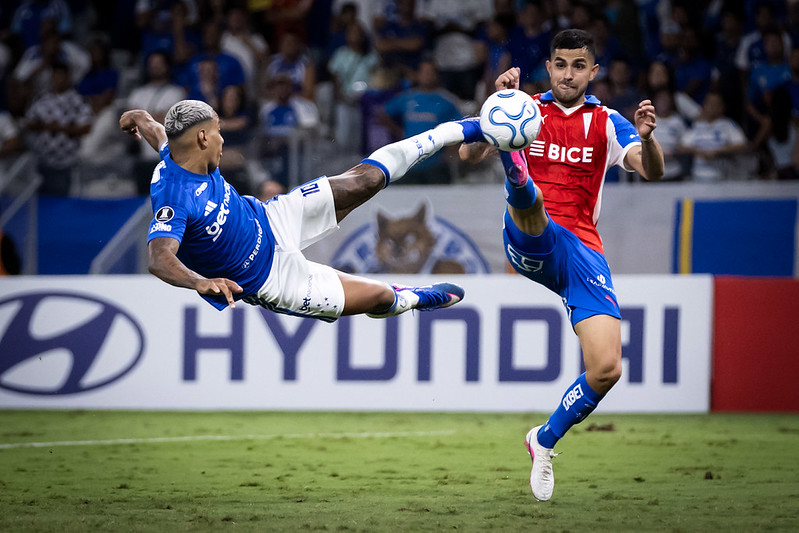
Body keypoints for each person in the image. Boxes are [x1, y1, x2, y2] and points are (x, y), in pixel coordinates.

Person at [464, 29, 664, 501]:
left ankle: (544, 440)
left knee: (607, 367)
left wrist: (650, 139)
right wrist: (496, 107)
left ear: (593, 72)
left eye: (578, 66)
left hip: (583, 250)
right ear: (549, 67)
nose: (568, 73)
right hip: (530, 236)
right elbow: (468, 154)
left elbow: (651, 170)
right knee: (533, 211)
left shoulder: (609, 122)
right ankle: (518, 173)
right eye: (560, 64)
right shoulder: (522, 109)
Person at [119, 99, 481, 321]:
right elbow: (159, 257)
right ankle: (413, 298)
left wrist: (137, 115)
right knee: (380, 297)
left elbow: (156, 130)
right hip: (273, 280)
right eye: (218, 133)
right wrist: (200, 281)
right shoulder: (175, 197)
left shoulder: (175, 150)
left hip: (273, 216)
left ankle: (457, 130)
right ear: (202, 139)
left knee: (364, 181)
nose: (222, 140)